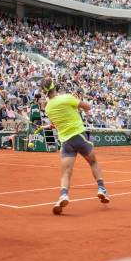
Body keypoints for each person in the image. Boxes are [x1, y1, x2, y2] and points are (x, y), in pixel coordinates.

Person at [42, 78, 109, 215]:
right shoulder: (66, 98)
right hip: (80, 136)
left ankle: (63, 194)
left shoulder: (48, 108)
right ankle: (101, 189)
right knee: (93, 162)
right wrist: (80, 108)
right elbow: (87, 106)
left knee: (66, 172)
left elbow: (55, 123)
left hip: (66, 143)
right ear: (56, 88)